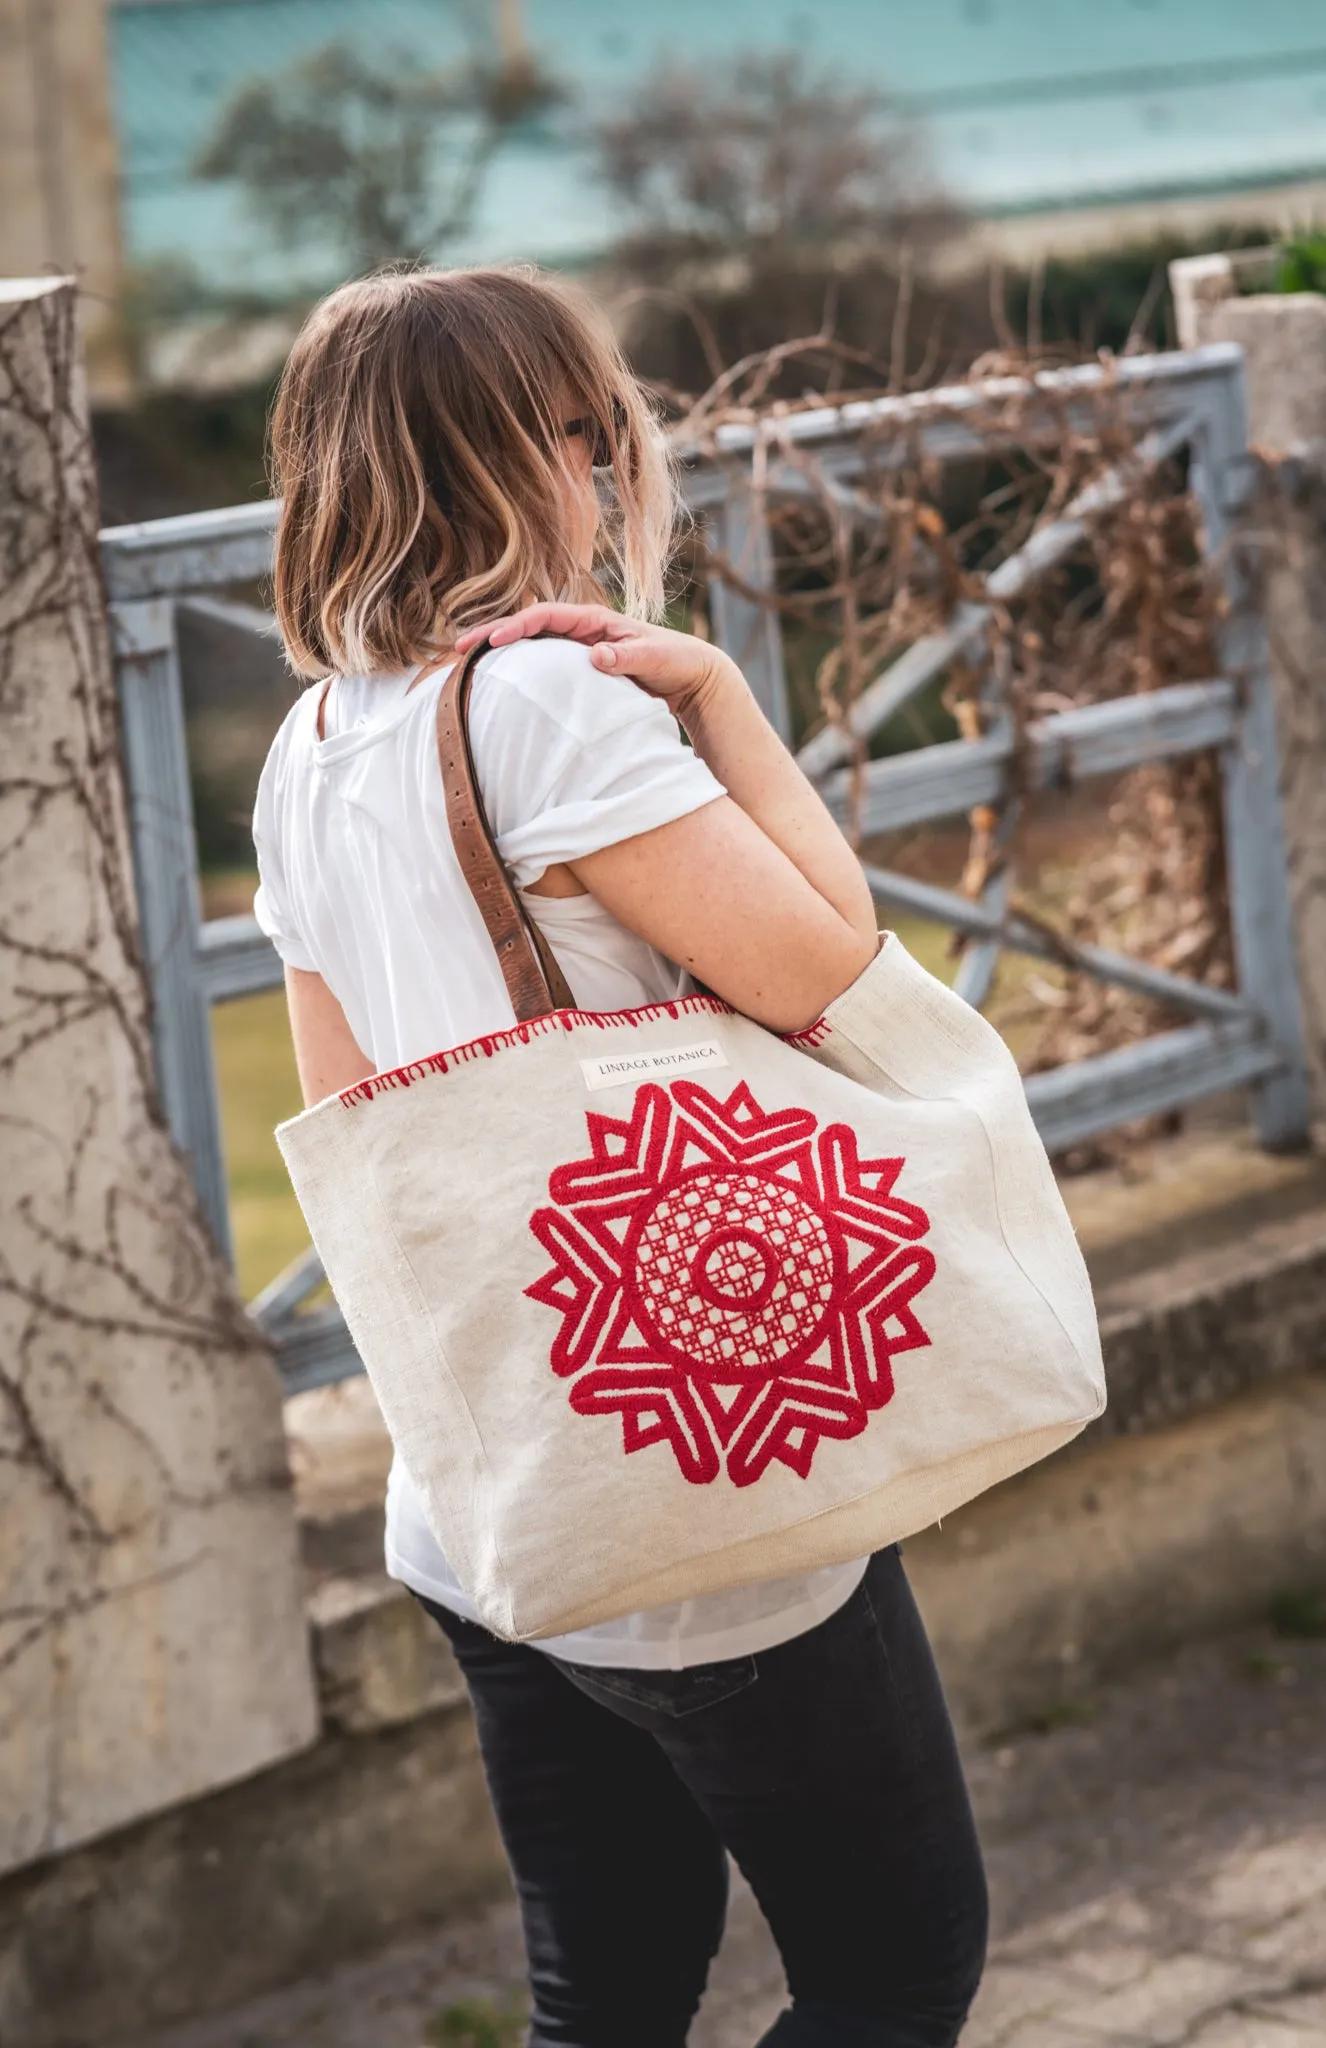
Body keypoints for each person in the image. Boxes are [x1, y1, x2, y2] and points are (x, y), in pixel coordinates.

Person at [254, 266, 988, 2048]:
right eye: (579, 435)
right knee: (892, 1968)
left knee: (608, 1995)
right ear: (516, 460)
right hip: (702, 1471)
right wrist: (726, 703)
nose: (602, 473)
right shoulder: (552, 707)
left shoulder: (308, 745)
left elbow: (361, 1140)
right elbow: (832, 976)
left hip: (491, 1494)